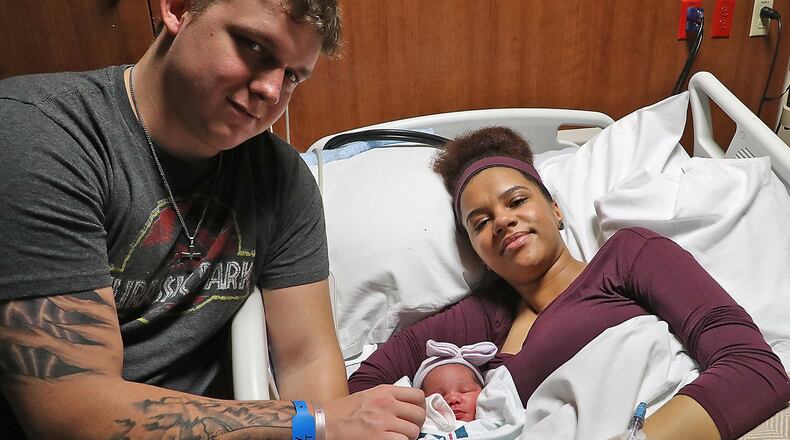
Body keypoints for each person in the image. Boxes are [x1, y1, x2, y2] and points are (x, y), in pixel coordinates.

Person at [0, 0, 425, 439]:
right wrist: (312, 424)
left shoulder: (280, 179)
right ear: (178, 10)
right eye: (254, 46)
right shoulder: (42, 135)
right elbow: (70, 408)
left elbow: (307, 358)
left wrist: (335, 426)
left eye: (293, 75)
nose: (272, 90)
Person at [348, 126, 790, 440]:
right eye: (480, 222)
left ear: (556, 210)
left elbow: (754, 368)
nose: (502, 221)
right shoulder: (480, 319)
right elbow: (362, 386)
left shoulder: (628, 256)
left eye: (517, 200)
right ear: (476, 248)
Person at [412, 340, 498, 423]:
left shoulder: (497, 420)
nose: (453, 399)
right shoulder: (425, 428)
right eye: (438, 396)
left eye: (465, 391)